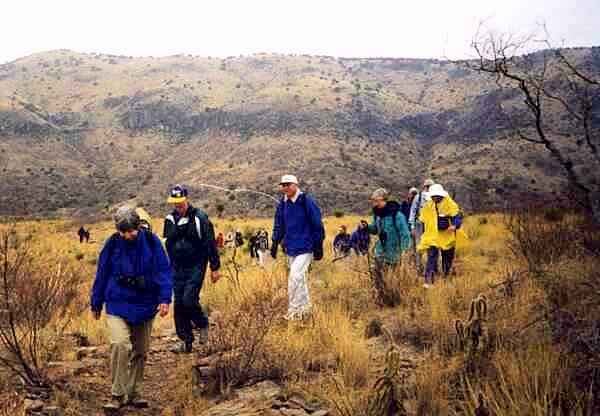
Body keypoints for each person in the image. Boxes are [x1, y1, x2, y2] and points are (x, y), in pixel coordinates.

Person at [90, 206, 173, 411]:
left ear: (138, 226)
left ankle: (134, 393)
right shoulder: (112, 244)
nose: (128, 235)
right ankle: (117, 394)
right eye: (123, 232)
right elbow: (102, 273)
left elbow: (163, 270)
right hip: (117, 301)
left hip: (145, 302)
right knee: (120, 344)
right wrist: (96, 302)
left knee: (141, 351)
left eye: (131, 231)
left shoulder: (152, 242)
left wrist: (165, 298)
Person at [163, 185, 221, 353]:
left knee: (189, 299)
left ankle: (202, 323)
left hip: (196, 265)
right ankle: (186, 342)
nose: (178, 205)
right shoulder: (169, 219)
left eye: (180, 201)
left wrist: (215, 267)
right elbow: (167, 243)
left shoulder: (200, 217)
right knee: (179, 304)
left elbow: (210, 243)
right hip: (177, 267)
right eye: (175, 202)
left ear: (187, 199)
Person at [271, 174, 324, 320]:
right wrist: (275, 242)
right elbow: (279, 224)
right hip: (290, 247)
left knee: (294, 277)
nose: (285, 188)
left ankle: (294, 311)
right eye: (283, 185)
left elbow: (317, 223)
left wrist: (318, 245)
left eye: (288, 184)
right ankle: (306, 309)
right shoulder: (283, 203)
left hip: (306, 246)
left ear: (296, 184)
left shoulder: (306, 201)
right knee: (300, 279)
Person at [417, 184, 468, 287]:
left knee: (447, 257)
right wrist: (424, 234)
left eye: (436, 196)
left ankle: (446, 276)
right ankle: (429, 281)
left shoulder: (449, 203)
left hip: (447, 236)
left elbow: (457, 216)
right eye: (433, 196)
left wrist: (454, 225)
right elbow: (423, 220)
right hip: (433, 236)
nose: (435, 198)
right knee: (431, 257)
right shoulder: (428, 205)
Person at [367, 188, 411, 305]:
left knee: (393, 279)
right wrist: (366, 227)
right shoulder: (377, 215)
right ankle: (380, 300)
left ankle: (394, 301)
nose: (374, 203)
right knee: (378, 277)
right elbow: (375, 229)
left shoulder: (397, 215)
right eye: (373, 201)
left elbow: (405, 234)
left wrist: (404, 251)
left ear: (383, 200)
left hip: (394, 253)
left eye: (376, 201)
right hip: (380, 252)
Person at [409, 179, 434, 272]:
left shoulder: (434, 197)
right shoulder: (418, 197)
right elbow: (413, 212)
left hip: (430, 225)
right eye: (428, 186)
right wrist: (412, 227)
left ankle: (429, 267)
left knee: (430, 246)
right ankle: (419, 267)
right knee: (419, 246)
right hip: (419, 224)